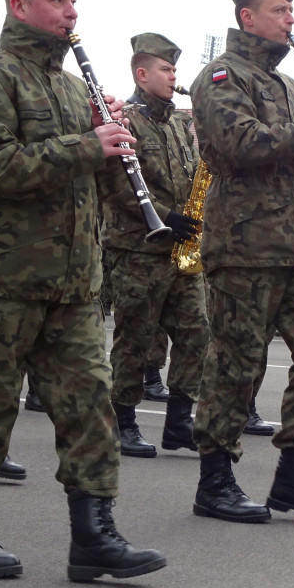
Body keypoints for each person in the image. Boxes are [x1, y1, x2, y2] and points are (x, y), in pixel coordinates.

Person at [0, 0, 165, 581]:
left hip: (72, 285)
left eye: (73, 0)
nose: (70, 12)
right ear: (20, 4)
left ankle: (94, 537)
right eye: (57, 0)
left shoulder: (71, 87)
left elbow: (101, 184)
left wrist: (116, 147)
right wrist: (86, 144)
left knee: (89, 408)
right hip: (2, 281)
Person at [188, 0, 294, 525]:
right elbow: (241, 146)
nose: (290, 20)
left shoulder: (287, 86)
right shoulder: (220, 77)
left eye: (290, 11)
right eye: (279, 11)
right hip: (245, 246)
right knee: (238, 363)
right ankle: (215, 479)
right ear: (247, 17)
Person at [99, 32, 205, 458]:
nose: (173, 76)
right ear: (142, 74)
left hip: (180, 252)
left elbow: (195, 174)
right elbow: (120, 185)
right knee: (135, 339)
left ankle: (179, 422)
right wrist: (165, 214)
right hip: (139, 249)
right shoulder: (126, 121)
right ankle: (122, 420)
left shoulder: (179, 124)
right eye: (166, 69)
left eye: (175, 69)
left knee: (197, 332)